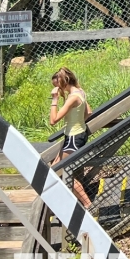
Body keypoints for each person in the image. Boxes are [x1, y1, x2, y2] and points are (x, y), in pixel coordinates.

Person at [49, 67, 91, 207]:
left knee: (62, 172)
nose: (57, 89)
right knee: (55, 169)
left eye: (57, 86)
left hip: (73, 138)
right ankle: (69, 200)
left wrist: (54, 99)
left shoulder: (73, 98)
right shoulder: (80, 92)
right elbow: (89, 112)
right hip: (78, 134)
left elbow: (53, 120)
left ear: (63, 82)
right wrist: (77, 122)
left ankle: (87, 204)